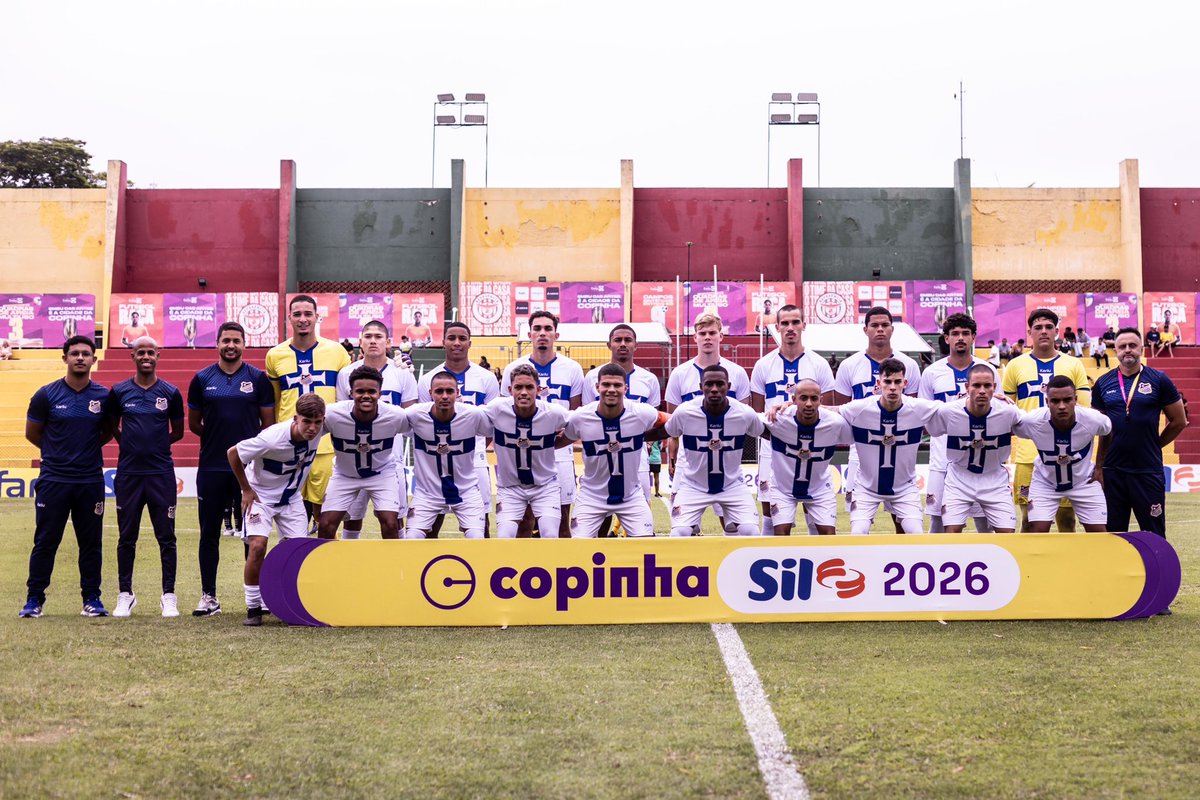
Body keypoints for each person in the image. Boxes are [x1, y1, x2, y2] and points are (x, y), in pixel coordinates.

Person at [19, 336, 113, 618]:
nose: (80, 358)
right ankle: (34, 599)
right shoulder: (46, 395)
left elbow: (107, 432)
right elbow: (32, 433)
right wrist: (57, 454)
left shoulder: (104, 396)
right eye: (75, 354)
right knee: (46, 541)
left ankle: (92, 598)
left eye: (86, 354)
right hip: (54, 480)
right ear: (65, 358)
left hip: (90, 481)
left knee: (91, 542)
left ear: (94, 359)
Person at [187, 321, 274, 617]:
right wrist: (219, 442)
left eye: (236, 341)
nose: (231, 345)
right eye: (226, 340)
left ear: (244, 344)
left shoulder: (257, 378)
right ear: (218, 343)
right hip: (211, 467)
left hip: (250, 472)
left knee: (252, 536)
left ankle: (256, 597)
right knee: (209, 533)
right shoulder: (201, 379)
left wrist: (244, 451)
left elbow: (269, 425)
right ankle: (208, 597)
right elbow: (195, 424)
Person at [228, 393, 326, 626]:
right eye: (306, 422)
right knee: (258, 546)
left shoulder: (322, 426)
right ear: (295, 418)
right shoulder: (271, 438)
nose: (312, 428)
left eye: (317, 422)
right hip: (261, 497)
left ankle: (289, 601)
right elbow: (233, 453)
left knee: (297, 553)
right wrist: (245, 489)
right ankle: (253, 607)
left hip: (291, 498)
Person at [106, 337, 186, 618]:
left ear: (158, 355)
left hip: (160, 474)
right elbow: (113, 426)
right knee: (126, 537)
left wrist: (156, 446)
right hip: (128, 474)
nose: (146, 356)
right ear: (132, 356)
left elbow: (177, 431)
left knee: (167, 537)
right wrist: (128, 442)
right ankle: (125, 594)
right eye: (141, 352)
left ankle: (169, 595)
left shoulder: (171, 392)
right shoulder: (118, 392)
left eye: (150, 352)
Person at [266, 294, 351, 531]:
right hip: (288, 442)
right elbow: (275, 401)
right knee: (287, 506)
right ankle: (295, 559)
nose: (303, 319)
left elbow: (345, 398)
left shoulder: (337, 352)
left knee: (325, 509)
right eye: (297, 314)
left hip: (325, 444)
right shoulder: (274, 355)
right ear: (289, 319)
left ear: (317, 317)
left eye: (308, 314)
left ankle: (325, 561)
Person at [1093, 328, 1188, 540]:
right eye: (1122, 346)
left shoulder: (1159, 379)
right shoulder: (1102, 383)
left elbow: (1179, 421)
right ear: (1115, 350)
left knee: (1153, 534)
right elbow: (1101, 431)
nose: (1128, 350)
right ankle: (1115, 574)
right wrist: (1099, 467)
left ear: (1141, 348)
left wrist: (1155, 444)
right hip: (1113, 471)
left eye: (1132, 345)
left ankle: (1158, 574)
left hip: (1147, 471)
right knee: (1113, 535)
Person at [1003, 308, 1091, 532]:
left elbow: (1084, 408)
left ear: (1057, 331)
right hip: (1028, 454)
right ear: (1029, 332)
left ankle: (1065, 567)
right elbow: (1008, 411)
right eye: (1038, 327)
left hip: (1066, 454)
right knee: (1028, 521)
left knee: (1067, 520)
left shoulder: (1073, 365)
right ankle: (1028, 567)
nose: (1044, 332)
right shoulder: (1015, 366)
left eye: (1049, 327)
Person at [750, 304, 835, 533]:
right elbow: (758, 414)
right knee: (770, 512)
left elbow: (826, 409)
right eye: (785, 323)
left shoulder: (819, 364)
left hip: (811, 444)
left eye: (795, 322)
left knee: (814, 506)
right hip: (774, 447)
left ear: (803, 326)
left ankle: (817, 562)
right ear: (776, 327)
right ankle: (771, 560)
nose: (790, 328)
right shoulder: (763, 365)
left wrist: (792, 407)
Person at [501, 311, 585, 538]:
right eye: (537, 329)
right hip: (524, 450)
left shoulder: (572, 368)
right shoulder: (513, 369)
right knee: (524, 520)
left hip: (560, 451)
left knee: (561, 520)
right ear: (529, 334)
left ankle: (564, 571)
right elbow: (506, 413)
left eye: (548, 329)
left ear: (556, 334)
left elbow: (575, 414)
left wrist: (564, 435)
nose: (542, 334)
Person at [831, 306, 921, 510]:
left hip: (899, 446)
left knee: (902, 515)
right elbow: (842, 410)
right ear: (865, 330)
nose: (880, 329)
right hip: (861, 447)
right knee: (857, 515)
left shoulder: (909, 365)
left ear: (892, 329)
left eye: (885, 325)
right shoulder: (849, 365)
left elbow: (913, 410)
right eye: (874, 325)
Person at [561, 363, 667, 537]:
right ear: (597, 387)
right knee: (578, 550)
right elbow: (560, 440)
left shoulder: (641, 412)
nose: (611, 389)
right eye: (606, 385)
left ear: (625, 388)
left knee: (647, 546)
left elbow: (672, 422)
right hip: (591, 497)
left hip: (631, 496)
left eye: (617, 385)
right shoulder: (581, 417)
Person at [334, 320, 417, 539]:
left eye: (378, 336)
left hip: (391, 457)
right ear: (360, 341)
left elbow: (411, 419)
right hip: (353, 456)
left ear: (388, 342)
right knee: (351, 519)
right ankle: (351, 569)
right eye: (368, 336)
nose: (373, 341)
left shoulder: (402, 373)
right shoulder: (346, 374)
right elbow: (342, 414)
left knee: (392, 519)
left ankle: (397, 568)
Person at [837, 358, 939, 534]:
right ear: (879, 383)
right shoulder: (860, 407)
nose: (892, 387)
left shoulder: (918, 408)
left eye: (897, 382)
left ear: (905, 383)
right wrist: (791, 407)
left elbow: (954, 409)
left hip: (905, 488)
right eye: (888, 381)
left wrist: (994, 400)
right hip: (866, 488)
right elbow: (827, 411)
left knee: (916, 535)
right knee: (857, 534)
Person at [418, 321, 500, 537]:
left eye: (462, 338)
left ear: (470, 343)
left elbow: (491, 423)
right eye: (451, 338)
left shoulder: (487, 378)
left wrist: (475, 448)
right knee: (431, 525)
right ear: (443, 342)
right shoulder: (428, 379)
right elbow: (424, 421)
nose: (456, 343)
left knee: (481, 525)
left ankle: (482, 569)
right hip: (436, 462)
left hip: (475, 461)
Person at [665, 364, 764, 536]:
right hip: (692, 485)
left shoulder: (744, 413)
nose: (714, 389)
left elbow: (766, 432)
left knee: (751, 531)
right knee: (678, 533)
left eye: (720, 384)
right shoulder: (685, 412)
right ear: (700, 387)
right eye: (709, 384)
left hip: (732, 484)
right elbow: (669, 432)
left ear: (729, 386)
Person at [919, 314, 995, 533]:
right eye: (955, 334)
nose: (960, 338)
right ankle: (935, 563)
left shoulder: (986, 370)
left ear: (973, 337)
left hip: (980, 458)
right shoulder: (932, 372)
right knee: (938, 521)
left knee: (985, 523)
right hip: (942, 458)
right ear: (946, 338)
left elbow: (997, 412)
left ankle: (991, 565)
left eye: (965, 333)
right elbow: (926, 415)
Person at [925, 364, 1020, 532]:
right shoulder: (949, 411)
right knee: (951, 531)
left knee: (1007, 534)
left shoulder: (1008, 411)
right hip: (959, 477)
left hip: (994, 478)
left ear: (995, 388)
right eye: (976, 386)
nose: (982, 391)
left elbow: (1034, 423)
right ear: (967, 388)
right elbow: (928, 424)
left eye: (987, 386)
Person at [480, 364, 570, 538]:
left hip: (545, 486)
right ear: (509, 389)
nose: (523, 392)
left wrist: (559, 441)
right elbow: (468, 418)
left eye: (529, 387)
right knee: (505, 538)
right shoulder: (497, 409)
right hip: (509, 487)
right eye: (518, 387)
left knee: (550, 535)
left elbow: (579, 425)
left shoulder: (553, 412)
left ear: (538, 389)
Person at [318, 366, 408, 540]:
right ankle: (331, 566)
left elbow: (418, 428)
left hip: (382, 472)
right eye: (360, 391)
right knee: (326, 524)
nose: (366, 396)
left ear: (380, 393)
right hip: (345, 474)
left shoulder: (396, 415)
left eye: (372, 391)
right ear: (351, 393)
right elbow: (310, 433)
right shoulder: (332, 414)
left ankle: (395, 566)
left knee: (390, 523)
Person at [1012, 376, 1111, 532]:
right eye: (1055, 401)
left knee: (1098, 532)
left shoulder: (1093, 419)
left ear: (1076, 400)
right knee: (1037, 530)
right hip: (1045, 482)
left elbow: (1108, 431)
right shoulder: (1033, 422)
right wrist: (1003, 404)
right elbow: (1007, 424)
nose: (1062, 406)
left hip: (1084, 480)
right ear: (1047, 402)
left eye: (1067, 400)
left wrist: (1099, 466)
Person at [403, 371, 492, 539]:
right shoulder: (414, 414)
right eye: (439, 391)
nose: (444, 396)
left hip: (466, 492)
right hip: (427, 493)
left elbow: (500, 427)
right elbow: (388, 420)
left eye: (450, 391)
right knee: (412, 540)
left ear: (458, 393)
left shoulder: (472, 415)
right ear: (430, 393)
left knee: (478, 540)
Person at [583, 324, 663, 506]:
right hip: (600, 450)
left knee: (641, 503)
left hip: (636, 450)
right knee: (599, 508)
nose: (623, 344)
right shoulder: (592, 377)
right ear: (609, 344)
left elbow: (653, 420)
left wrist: (647, 442)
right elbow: (588, 417)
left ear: (636, 345)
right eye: (618, 340)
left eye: (628, 340)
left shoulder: (648, 379)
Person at [760, 378, 852, 535]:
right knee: (780, 535)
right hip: (783, 488)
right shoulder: (778, 418)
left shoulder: (835, 423)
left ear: (820, 400)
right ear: (794, 400)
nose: (809, 403)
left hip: (820, 488)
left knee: (829, 537)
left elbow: (857, 433)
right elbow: (748, 420)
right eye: (803, 398)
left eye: (814, 398)